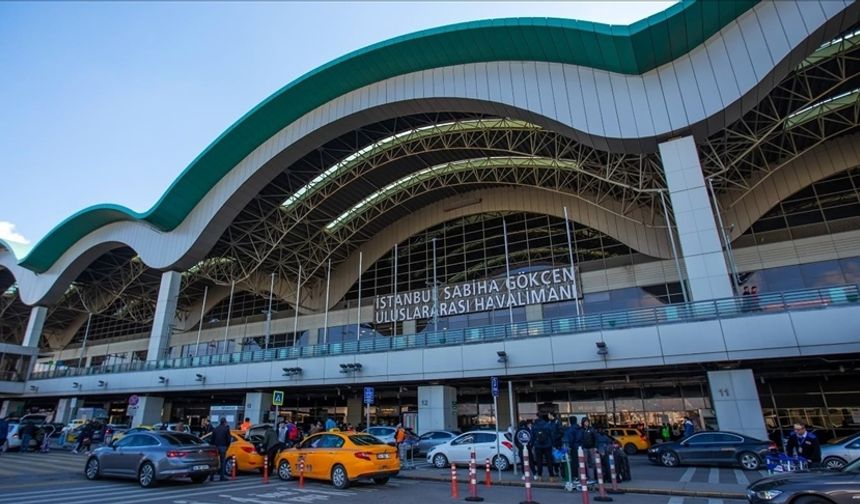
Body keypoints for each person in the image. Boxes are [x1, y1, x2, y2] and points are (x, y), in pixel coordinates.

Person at [531, 415, 555, 481]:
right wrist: (553, 444)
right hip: (548, 445)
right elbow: (551, 435)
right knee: (549, 461)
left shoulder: (534, 426)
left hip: (538, 446)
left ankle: (540, 476)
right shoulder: (548, 425)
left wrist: (532, 445)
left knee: (539, 462)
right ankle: (551, 477)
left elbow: (532, 437)